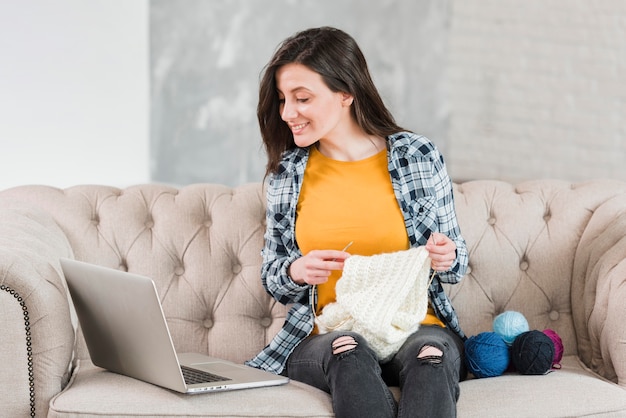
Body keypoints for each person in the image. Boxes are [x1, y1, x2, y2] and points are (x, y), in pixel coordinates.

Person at [246, 26, 469, 418]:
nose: (287, 113)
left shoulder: (417, 156)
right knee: (347, 349)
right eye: (283, 99)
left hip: (416, 325)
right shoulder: (289, 174)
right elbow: (272, 275)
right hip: (325, 336)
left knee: (430, 357)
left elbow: (457, 262)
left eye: (302, 98)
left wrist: (446, 257)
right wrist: (297, 271)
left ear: (346, 93)